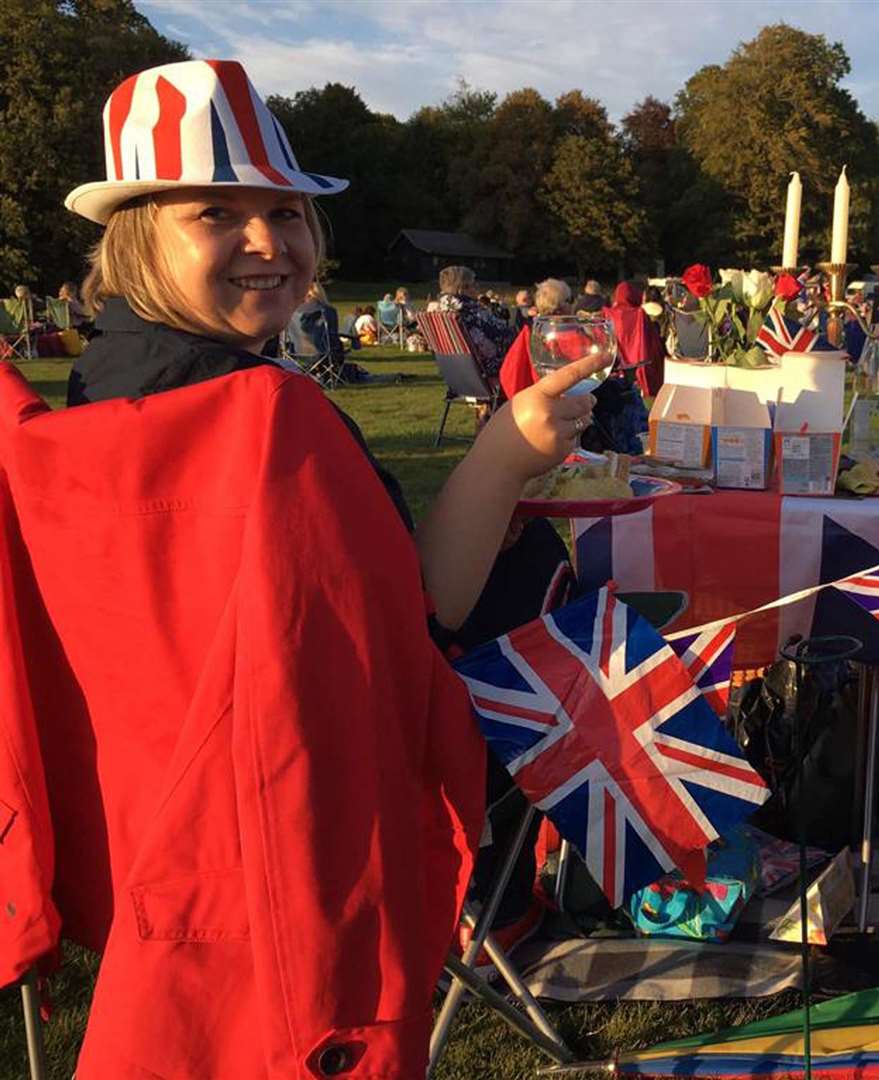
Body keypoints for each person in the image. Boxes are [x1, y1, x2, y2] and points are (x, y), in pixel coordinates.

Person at [46, 59, 607, 1077]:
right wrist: (508, 452)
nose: (271, 241)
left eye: (290, 213)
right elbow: (418, 610)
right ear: (136, 236)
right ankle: (529, 900)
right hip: (301, 832)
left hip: (145, 817)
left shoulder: (92, 401)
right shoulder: (260, 425)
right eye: (219, 212)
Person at [499, 277, 572, 400]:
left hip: (532, 395)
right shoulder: (566, 334)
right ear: (560, 307)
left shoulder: (533, 330)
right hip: (566, 393)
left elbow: (508, 373)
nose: (572, 304)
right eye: (569, 300)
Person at [437, 264, 514, 377]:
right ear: (462, 289)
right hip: (486, 367)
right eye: (474, 284)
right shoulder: (470, 310)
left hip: (459, 369)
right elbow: (502, 333)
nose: (477, 287)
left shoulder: (443, 310)